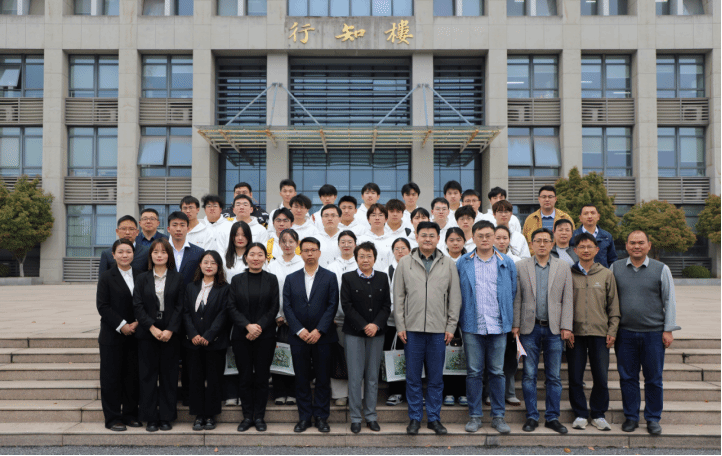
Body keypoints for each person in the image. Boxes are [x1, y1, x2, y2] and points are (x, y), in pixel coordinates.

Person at [393, 221, 462, 436]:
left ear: (438, 238)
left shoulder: (448, 263)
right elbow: (398, 297)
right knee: (413, 377)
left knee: (435, 378)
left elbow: (454, 298)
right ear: (416, 237)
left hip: (438, 331)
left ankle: (433, 418)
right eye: (423, 235)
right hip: (412, 330)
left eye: (432, 235)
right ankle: (414, 418)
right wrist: (400, 325)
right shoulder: (405, 263)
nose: (427, 239)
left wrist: (451, 326)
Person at [610, 230, 680, 436]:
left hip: (653, 334)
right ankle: (631, 417)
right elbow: (609, 300)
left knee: (654, 378)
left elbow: (669, 300)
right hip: (625, 334)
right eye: (632, 243)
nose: (636, 246)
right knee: (627, 377)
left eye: (641, 243)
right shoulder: (615, 268)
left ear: (649, 245)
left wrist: (668, 329)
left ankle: (653, 418)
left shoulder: (661, 269)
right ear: (626, 245)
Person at [457, 221, 517, 435]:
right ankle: (475, 416)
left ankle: (498, 416)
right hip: (472, 325)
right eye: (480, 235)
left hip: (498, 326)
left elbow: (513, 292)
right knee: (474, 372)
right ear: (473, 237)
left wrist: (511, 321)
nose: (484, 239)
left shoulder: (506, 262)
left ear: (494, 237)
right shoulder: (463, 262)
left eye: (488, 235)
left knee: (497, 372)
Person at [513, 228, 573, 435]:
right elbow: (517, 298)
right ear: (531, 244)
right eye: (537, 241)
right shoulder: (521, 266)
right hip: (529, 328)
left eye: (546, 241)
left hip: (554, 329)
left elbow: (568, 298)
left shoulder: (563, 266)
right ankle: (531, 416)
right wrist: (516, 324)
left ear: (552, 244)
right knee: (529, 375)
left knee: (554, 376)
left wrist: (566, 325)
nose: (541, 244)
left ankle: (552, 417)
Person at [283, 237, 340, 434]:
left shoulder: (330, 277)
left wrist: (319, 330)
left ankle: (322, 417)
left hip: (323, 337)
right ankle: (304, 417)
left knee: (323, 379)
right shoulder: (291, 278)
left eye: (313, 250)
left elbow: (332, 305)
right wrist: (299, 330)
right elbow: (287, 306)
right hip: (298, 337)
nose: (309, 253)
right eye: (306, 250)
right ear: (300, 253)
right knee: (301, 379)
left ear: (319, 253)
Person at [568, 232, 620, 432]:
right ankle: (580, 414)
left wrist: (612, 330)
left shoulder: (606, 274)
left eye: (590, 246)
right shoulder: (569, 274)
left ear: (597, 250)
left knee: (601, 377)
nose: (586, 250)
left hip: (600, 334)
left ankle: (598, 414)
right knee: (575, 377)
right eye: (582, 247)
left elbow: (613, 306)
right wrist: (567, 329)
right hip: (575, 334)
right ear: (575, 250)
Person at [132, 238, 184, 433]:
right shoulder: (142, 278)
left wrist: (170, 329)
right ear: (150, 255)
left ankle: (166, 417)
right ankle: (150, 418)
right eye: (156, 252)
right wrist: (152, 328)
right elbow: (137, 305)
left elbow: (180, 306)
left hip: (171, 333)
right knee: (147, 377)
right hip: (148, 333)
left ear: (169, 255)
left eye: (163, 252)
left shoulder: (177, 278)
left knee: (169, 377)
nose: (159, 255)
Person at [228, 243, 280, 433]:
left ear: (265, 258)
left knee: (261, 377)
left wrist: (258, 327)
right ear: (246, 257)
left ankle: (259, 417)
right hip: (241, 336)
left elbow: (274, 307)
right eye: (252, 254)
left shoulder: (271, 279)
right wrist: (247, 326)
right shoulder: (237, 280)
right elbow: (231, 306)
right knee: (244, 377)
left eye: (260, 254)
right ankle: (247, 416)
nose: (256, 258)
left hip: (265, 336)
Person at [341, 242, 391, 434]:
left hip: (376, 333)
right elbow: (346, 306)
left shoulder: (382, 277)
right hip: (354, 333)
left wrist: (375, 325)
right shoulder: (348, 278)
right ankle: (355, 418)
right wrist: (364, 325)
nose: (365, 260)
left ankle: (370, 416)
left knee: (372, 377)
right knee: (355, 377)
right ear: (356, 258)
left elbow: (386, 305)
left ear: (375, 258)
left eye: (369, 256)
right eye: (361, 256)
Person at [182, 250, 230, 432]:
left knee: (213, 379)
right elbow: (186, 312)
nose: (209, 266)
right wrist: (193, 334)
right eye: (206, 262)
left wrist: (209, 335)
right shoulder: (191, 287)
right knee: (195, 379)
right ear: (200, 265)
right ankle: (198, 415)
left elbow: (224, 314)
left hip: (215, 342)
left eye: (213, 263)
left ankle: (210, 415)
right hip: (193, 342)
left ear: (219, 267)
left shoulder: (225, 288)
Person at [96, 239, 141, 432]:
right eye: (120, 252)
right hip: (112, 335)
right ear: (113, 255)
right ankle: (113, 418)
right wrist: (122, 325)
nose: (125, 255)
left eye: (128, 251)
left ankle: (130, 415)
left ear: (133, 254)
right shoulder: (106, 277)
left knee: (132, 376)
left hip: (136, 334)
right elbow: (103, 306)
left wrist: (138, 322)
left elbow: (146, 302)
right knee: (111, 377)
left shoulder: (141, 275)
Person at [267, 228, 303, 407]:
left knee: (296, 356)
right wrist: (277, 315)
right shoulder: (272, 265)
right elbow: (269, 292)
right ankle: (280, 392)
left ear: (297, 243)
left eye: (291, 241)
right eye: (284, 241)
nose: (287, 245)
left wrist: (293, 317)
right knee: (278, 354)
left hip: (297, 319)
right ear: (279, 244)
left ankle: (293, 392)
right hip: (277, 319)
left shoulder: (302, 263)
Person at [220, 221, 252, 407]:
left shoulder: (255, 256)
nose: (240, 238)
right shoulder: (224, 258)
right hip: (228, 311)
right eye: (236, 235)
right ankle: (231, 392)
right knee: (229, 353)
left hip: (248, 314)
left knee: (246, 356)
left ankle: (245, 393)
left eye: (244, 235)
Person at [326, 231, 359, 408]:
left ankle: (356, 393)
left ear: (355, 244)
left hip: (358, 321)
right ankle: (339, 394)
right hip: (337, 319)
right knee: (338, 356)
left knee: (357, 357)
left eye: (350, 241)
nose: (346, 245)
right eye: (343, 242)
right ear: (338, 245)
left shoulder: (361, 264)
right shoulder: (331, 267)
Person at [442, 227, 468, 408]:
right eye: (451, 240)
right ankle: (449, 391)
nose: (455, 243)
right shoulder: (441, 261)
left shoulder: (470, 260)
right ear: (446, 242)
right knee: (447, 354)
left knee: (465, 354)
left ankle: (463, 392)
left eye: (459, 239)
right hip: (444, 314)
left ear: (464, 242)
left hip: (467, 314)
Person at [384, 237, 411, 406]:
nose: (400, 251)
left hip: (413, 322)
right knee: (394, 357)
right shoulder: (387, 270)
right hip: (392, 322)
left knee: (413, 358)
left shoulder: (415, 267)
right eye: (396, 248)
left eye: (403, 248)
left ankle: (412, 392)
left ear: (410, 250)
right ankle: (395, 391)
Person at [522, 186, 575, 255]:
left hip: (561, 257)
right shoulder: (530, 219)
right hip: (536, 257)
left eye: (550, 197)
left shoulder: (565, 218)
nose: (547, 200)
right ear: (539, 199)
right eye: (544, 197)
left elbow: (573, 241)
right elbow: (524, 243)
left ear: (555, 199)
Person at [166, 212, 205, 286]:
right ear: (168, 229)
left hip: (190, 292)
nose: (178, 229)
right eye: (174, 225)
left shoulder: (199, 252)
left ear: (187, 228)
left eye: (182, 225)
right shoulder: (162, 251)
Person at [357, 204, 395, 273]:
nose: (377, 218)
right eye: (373, 215)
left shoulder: (393, 240)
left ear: (386, 219)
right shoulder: (360, 240)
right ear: (368, 219)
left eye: (380, 215)